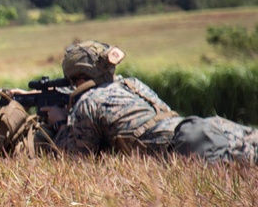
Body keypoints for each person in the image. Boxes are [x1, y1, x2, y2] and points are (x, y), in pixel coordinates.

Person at [38, 40, 258, 163]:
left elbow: (77, 161)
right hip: (203, 125)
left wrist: (59, 123)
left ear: (77, 77)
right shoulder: (132, 84)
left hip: (189, 148)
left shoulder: (88, 103)